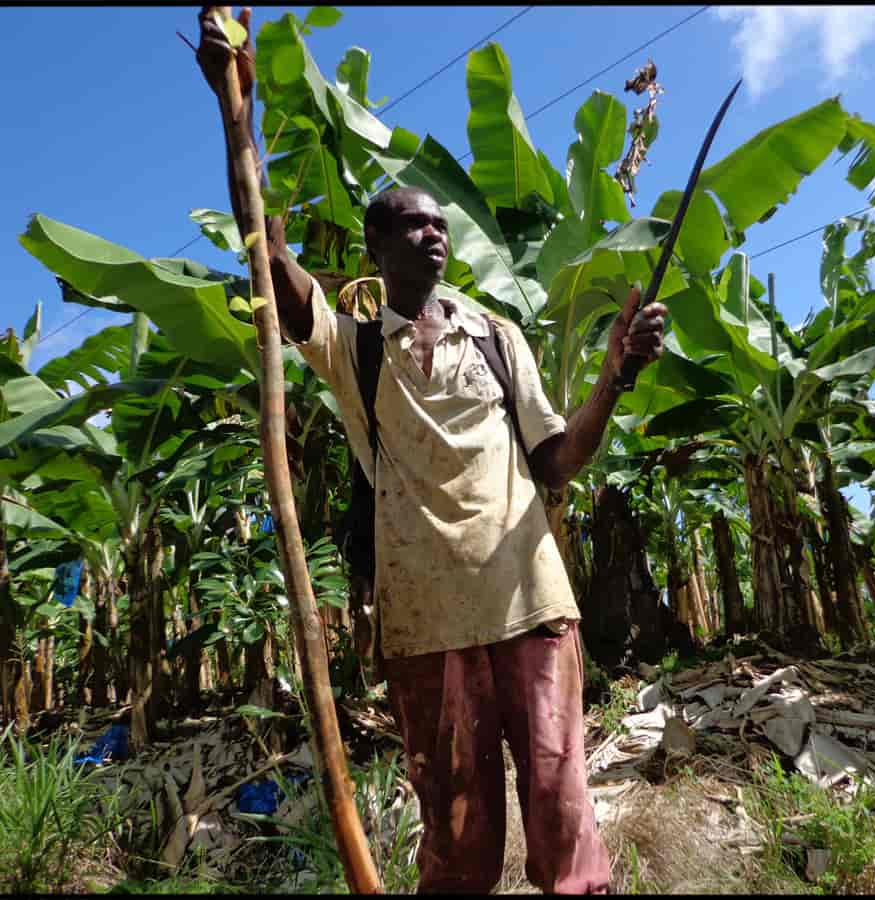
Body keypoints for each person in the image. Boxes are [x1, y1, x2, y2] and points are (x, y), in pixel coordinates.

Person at [197, 9, 667, 893]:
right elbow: (269, 257)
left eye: (440, 224)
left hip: (530, 603)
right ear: (374, 250)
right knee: (456, 833)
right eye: (412, 225)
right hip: (425, 623)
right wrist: (239, 120)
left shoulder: (498, 335)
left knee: (565, 815)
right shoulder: (354, 346)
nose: (435, 234)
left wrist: (614, 375)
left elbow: (558, 460)